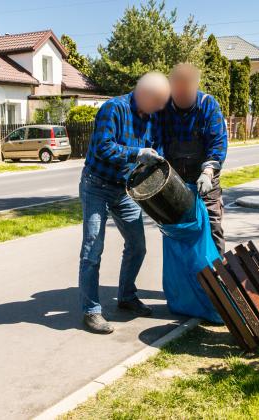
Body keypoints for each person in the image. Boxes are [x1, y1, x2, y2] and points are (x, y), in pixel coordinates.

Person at [78, 72, 170, 334]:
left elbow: (157, 148)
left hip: (123, 190)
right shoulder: (113, 109)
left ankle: (127, 297)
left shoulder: (152, 119)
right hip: (96, 185)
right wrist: (136, 153)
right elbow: (103, 148)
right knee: (92, 249)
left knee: (137, 246)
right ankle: (91, 311)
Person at [159, 63, 228, 254]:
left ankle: (217, 277)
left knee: (211, 224)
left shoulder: (208, 105)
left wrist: (208, 172)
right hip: (175, 181)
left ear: (195, 88)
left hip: (205, 176)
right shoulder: (162, 109)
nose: (181, 98)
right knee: (178, 229)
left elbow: (218, 143)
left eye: (186, 94)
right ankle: (186, 278)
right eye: (177, 94)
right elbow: (156, 141)